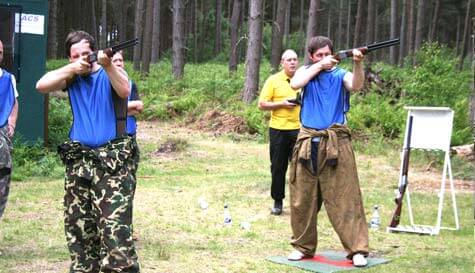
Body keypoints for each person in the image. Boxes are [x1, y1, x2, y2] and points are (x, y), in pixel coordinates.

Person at [36, 31, 140, 273]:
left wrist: (107, 65)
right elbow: (41, 85)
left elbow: (125, 91)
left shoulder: (111, 72)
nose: (82, 58)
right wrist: (73, 68)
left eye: (86, 53)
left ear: (95, 51)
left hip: (113, 164)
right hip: (79, 162)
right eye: (75, 55)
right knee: (80, 232)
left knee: (116, 233)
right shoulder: (71, 77)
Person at [287, 36, 369, 267]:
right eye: (319, 55)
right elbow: (295, 84)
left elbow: (356, 84)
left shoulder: (339, 75)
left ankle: (357, 250)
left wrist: (358, 63)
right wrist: (317, 67)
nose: (324, 58)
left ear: (334, 54)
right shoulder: (306, 73)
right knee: (302, 199)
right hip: (307, 143)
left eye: (327, 54)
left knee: (345, 197)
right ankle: (303, 247)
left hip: (336, 142)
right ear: (312, 56)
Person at [258, 49, 300, 215]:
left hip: (299, 129)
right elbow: (262, 104)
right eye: (289, 60)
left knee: (300, 167)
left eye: (295, 59)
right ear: (282, 62)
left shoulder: (303, 80)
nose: (292, 62)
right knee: (277, 167)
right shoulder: (273, 80)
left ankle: (300, 202)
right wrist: (281, 104)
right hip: (278, 130)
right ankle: (277, 202)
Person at [111, 50, 143, 178]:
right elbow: (103, 110)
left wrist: (114, 111)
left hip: (129, 134)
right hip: (110, 137)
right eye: (115, 61)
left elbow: (139, 107)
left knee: (130, 174)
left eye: (121, 60)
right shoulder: (102, 84)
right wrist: (128, 108)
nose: (119, 63)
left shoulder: (130, 84)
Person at [0, 39, 19, 220]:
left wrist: (11, 124)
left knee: (1, 188)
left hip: (2, 140)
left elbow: (14, 103)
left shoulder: (8, 78)